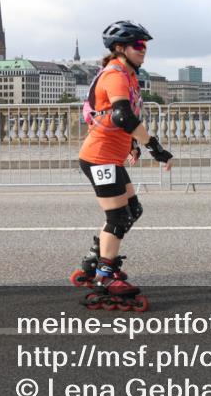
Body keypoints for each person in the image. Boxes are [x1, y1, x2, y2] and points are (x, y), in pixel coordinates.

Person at [71, 20, 173, 312]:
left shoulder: (128, 75)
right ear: (119, 48)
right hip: (100, 156)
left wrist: (132, 144)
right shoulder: (115, 75)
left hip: (110, 156)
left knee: (132, 211)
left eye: (145, 46)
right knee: (117, 217)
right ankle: (105, 275)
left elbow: (116, 120)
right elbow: (121, 116)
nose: (144, 51)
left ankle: (96, 260)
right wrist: (155, 147)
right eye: (138, 46)